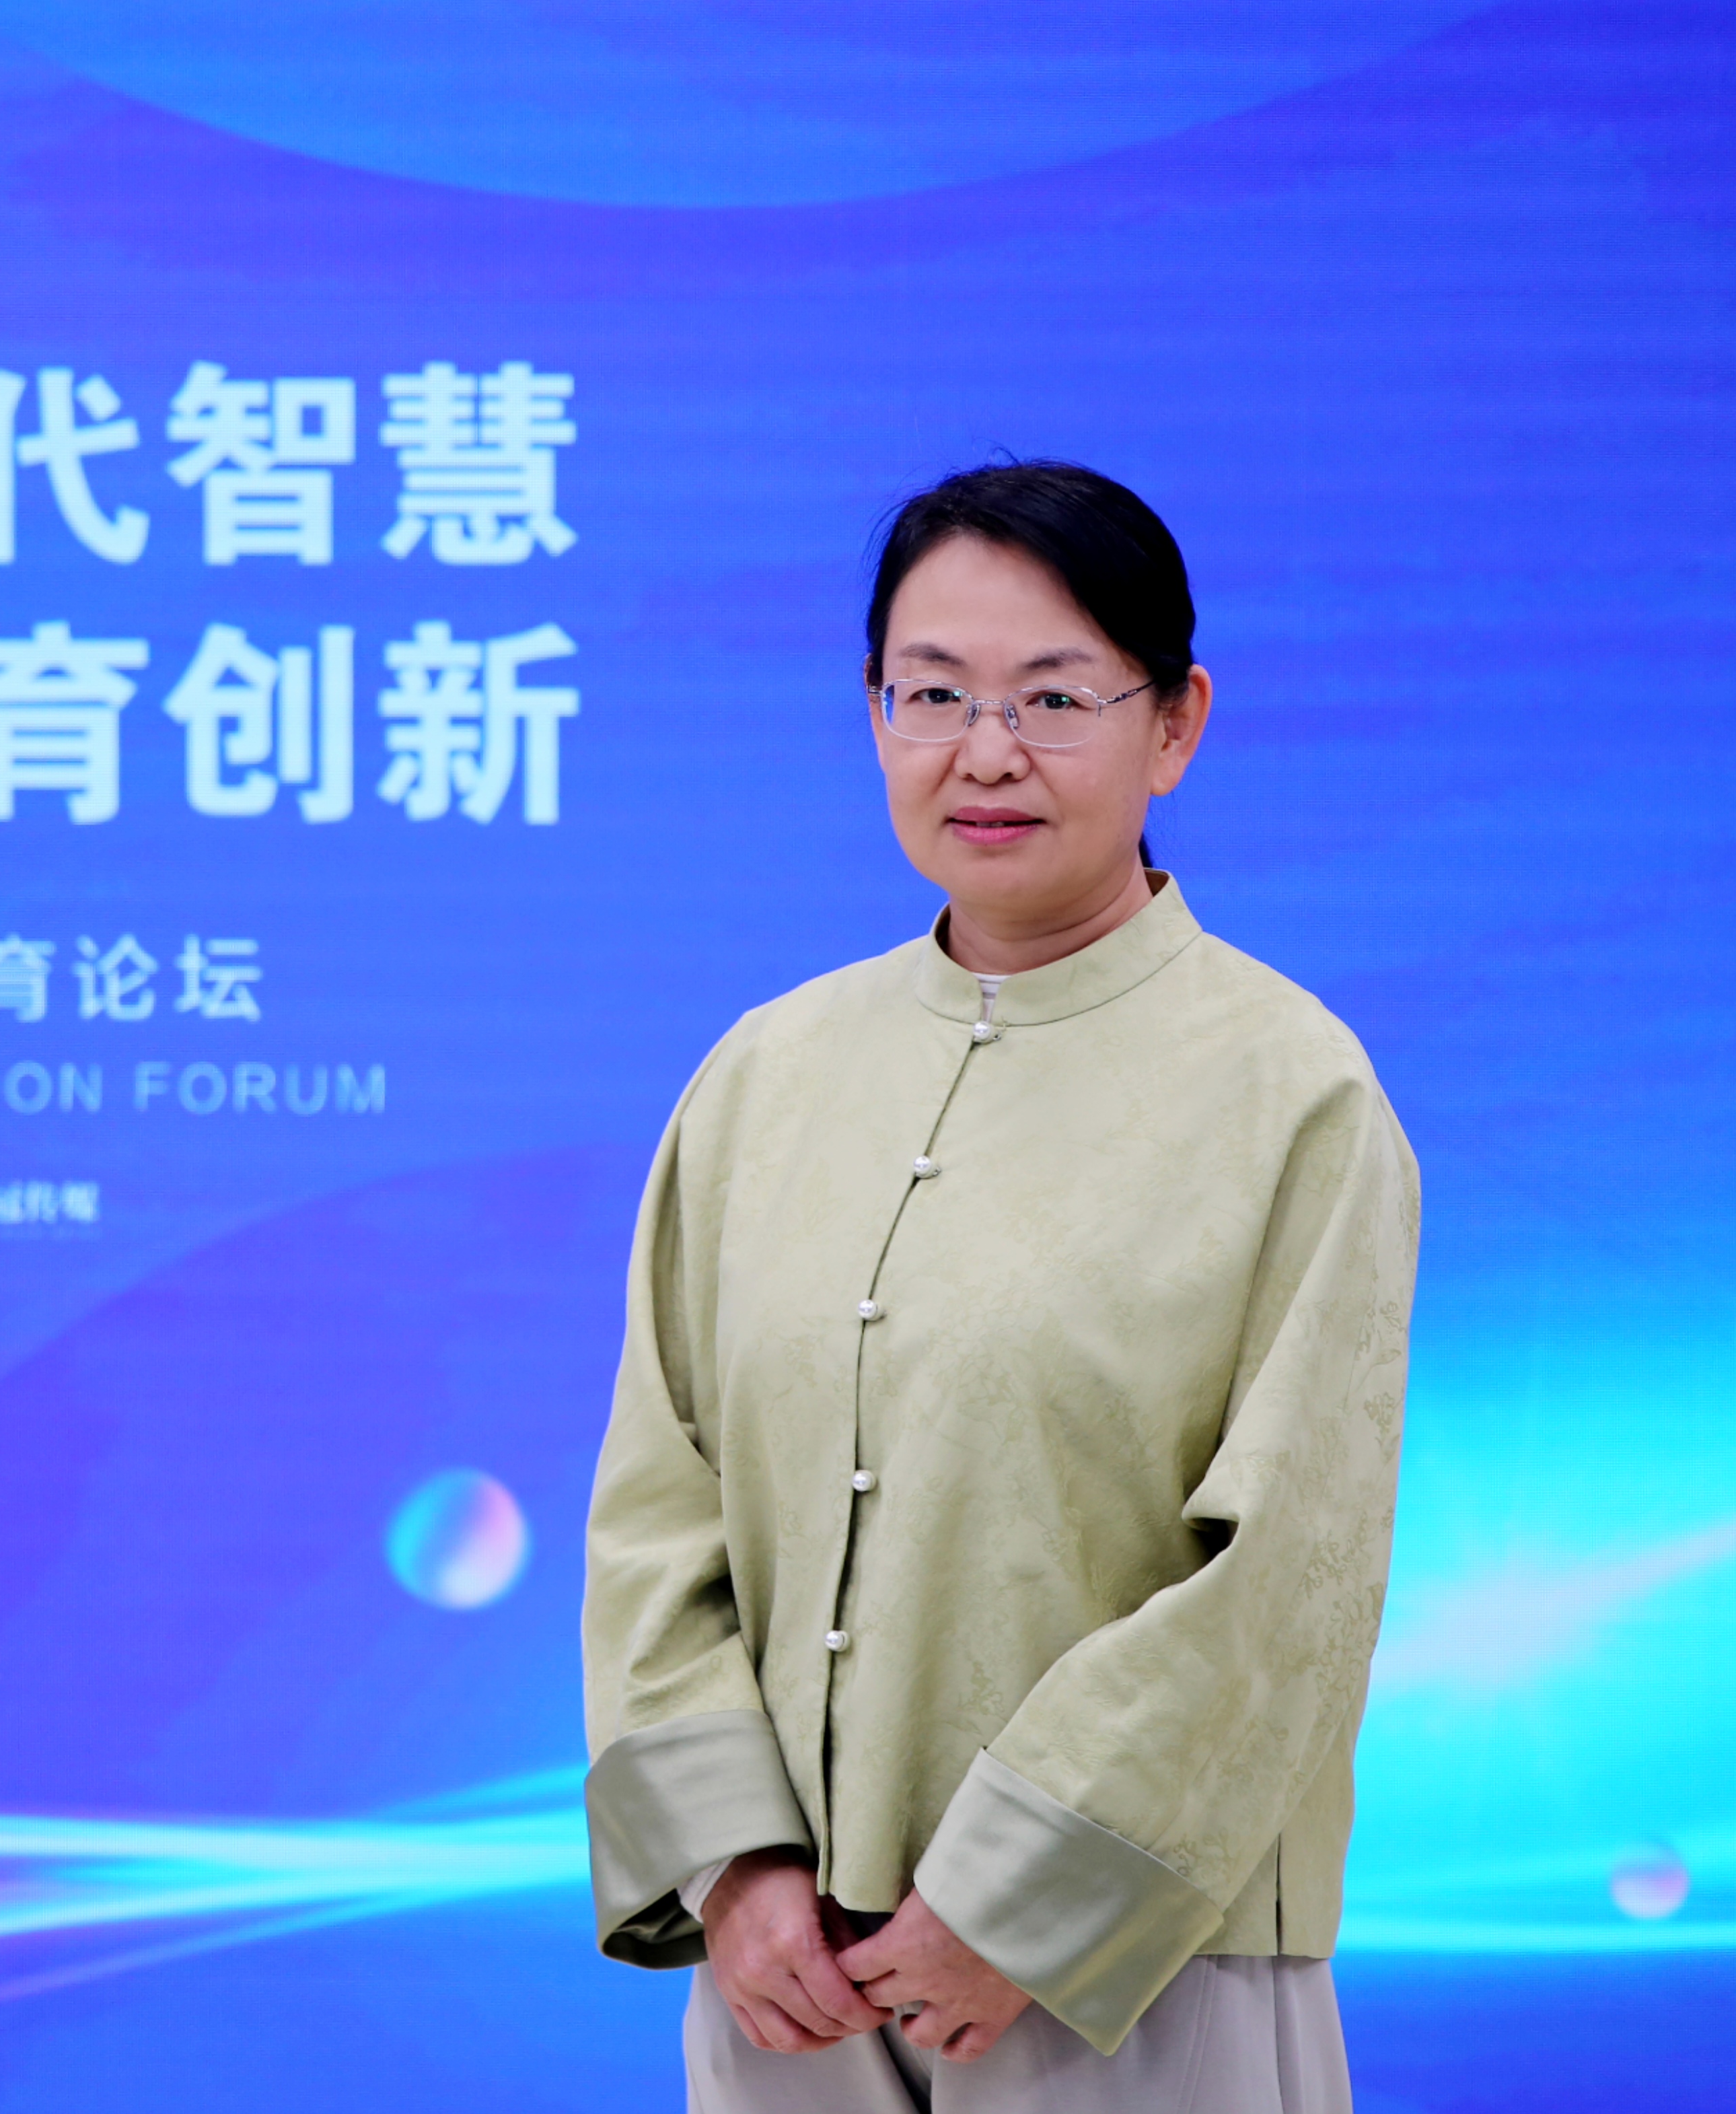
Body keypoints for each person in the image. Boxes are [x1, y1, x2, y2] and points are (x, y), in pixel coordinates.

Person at [580, 462, 1417, 2111]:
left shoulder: (1291, 1091)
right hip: (791, 1987)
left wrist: (1023, 1896)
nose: (985, 751)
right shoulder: (762, 1074)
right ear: (872, 713)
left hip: (1135, 1973)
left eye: (1051, 695)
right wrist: (731, 1863)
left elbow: (1287, 1575)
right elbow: (657, 1507)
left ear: (1174, 724)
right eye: (933, 693)